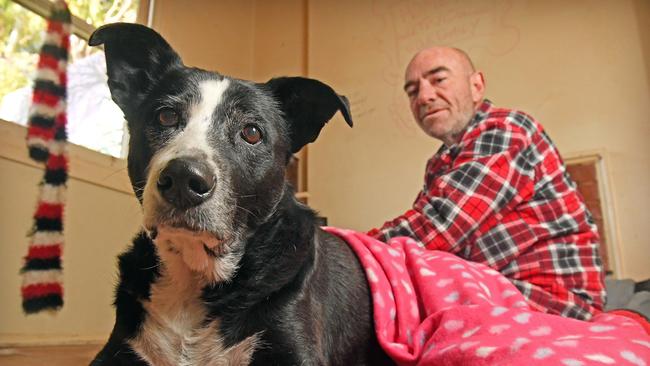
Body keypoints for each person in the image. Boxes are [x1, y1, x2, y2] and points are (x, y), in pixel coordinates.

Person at [367, 47, 606, 320]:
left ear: (476, 86)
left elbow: (440, 226)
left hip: (555, 304)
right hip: (502, 291)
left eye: (439, 80)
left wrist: (350, 248)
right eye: (412, 91)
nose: (424, 96)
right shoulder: (439, 164)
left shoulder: (506, 130)